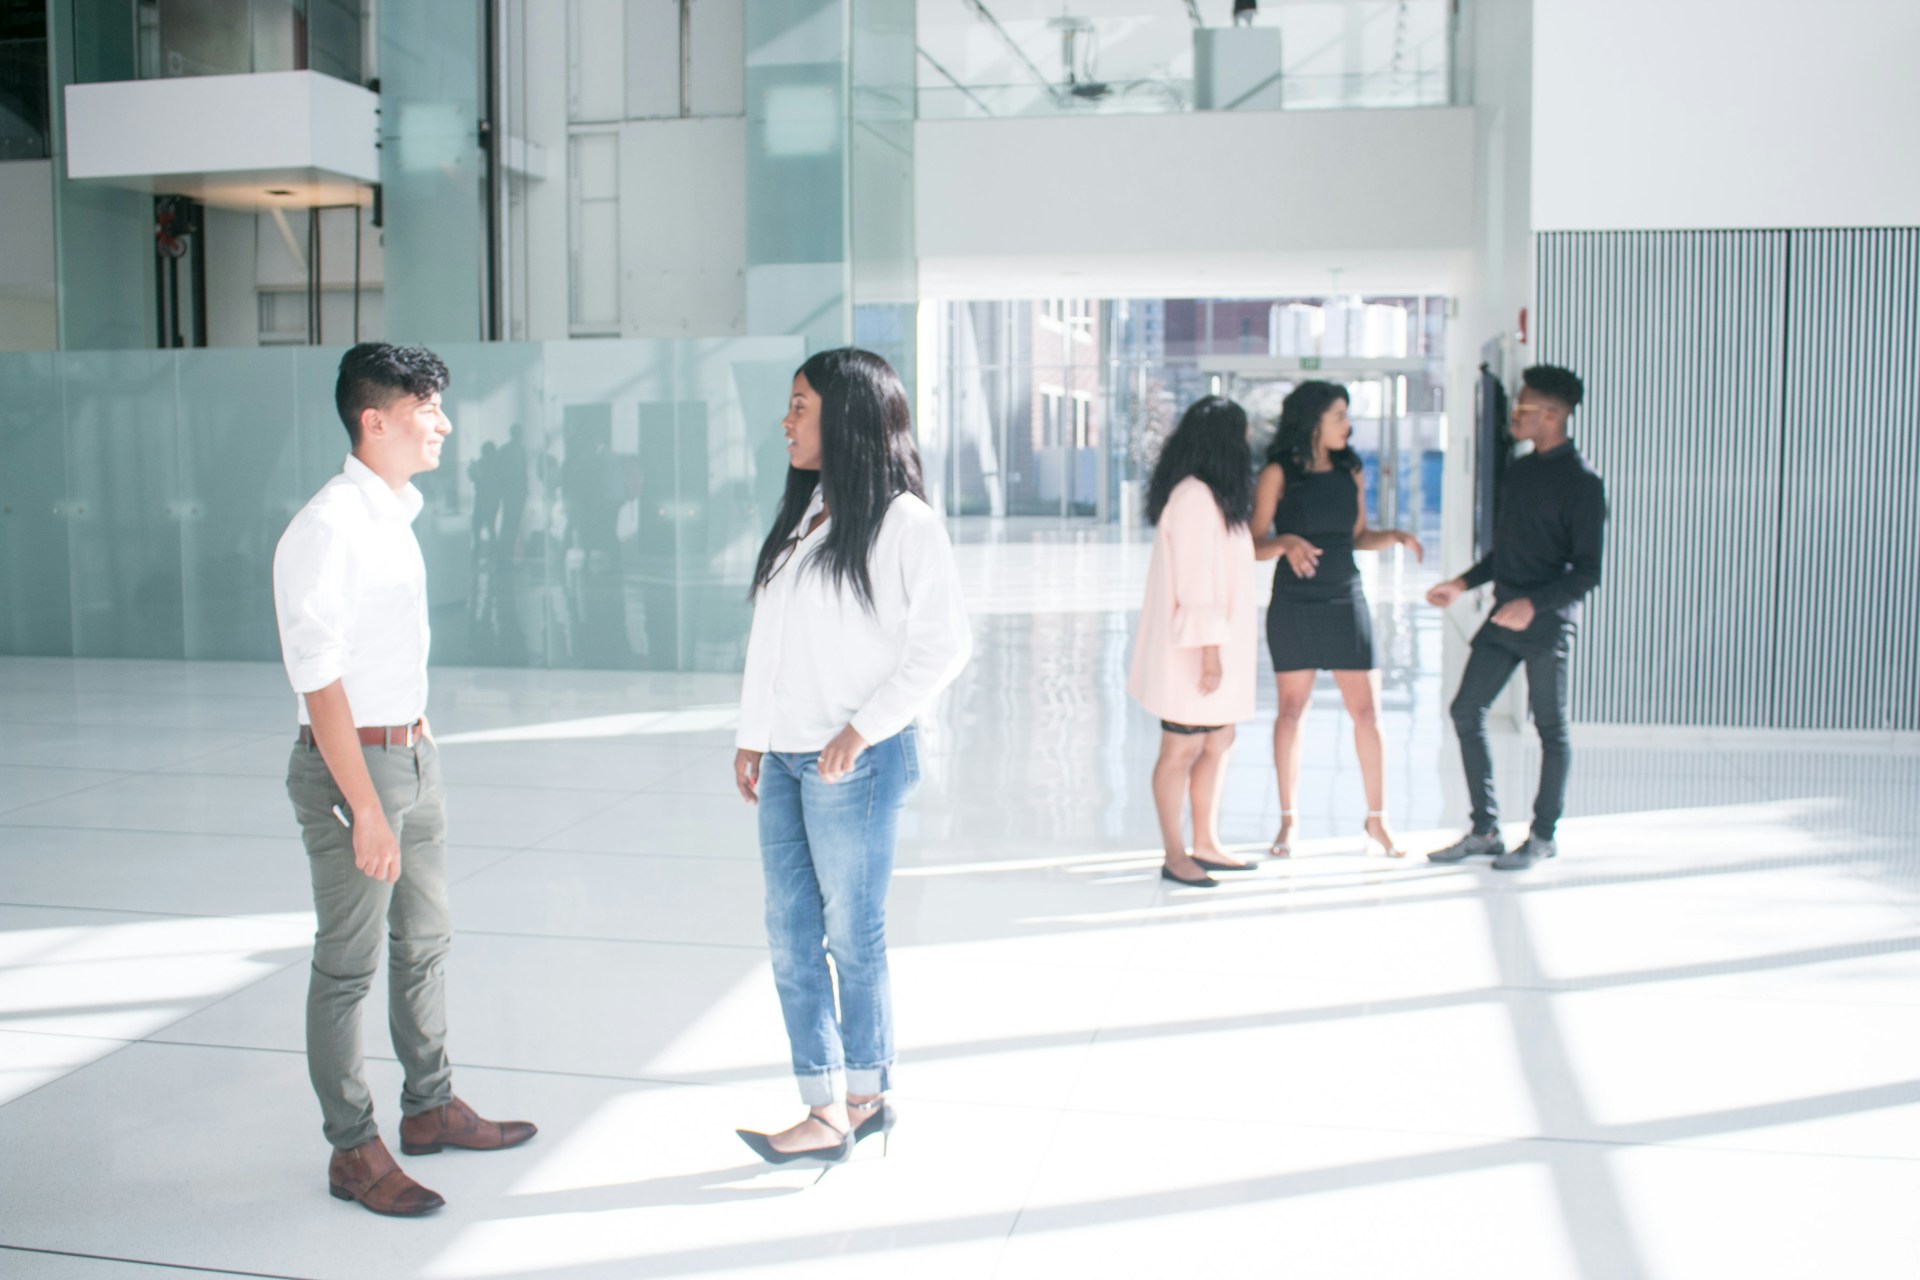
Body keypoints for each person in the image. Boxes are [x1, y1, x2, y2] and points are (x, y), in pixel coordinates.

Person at [273, 343, 535, 1218]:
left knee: (425, 943)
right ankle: (353, 1147)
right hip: (357, 769)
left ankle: (428, 1108)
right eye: (429, 410)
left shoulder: (394, 515)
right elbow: (320, 682)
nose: (444, 425)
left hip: (413, 755)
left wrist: (417, 752)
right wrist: (364, 808)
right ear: (374, 420)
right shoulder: (327, 527)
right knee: (346, 967)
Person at [732, 348, 972, 1167]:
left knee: (850, 936)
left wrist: (860, 730)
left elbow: (944, 647)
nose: (788, 420)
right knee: (790, 933)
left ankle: (865, 1098)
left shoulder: (906, 523)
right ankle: (823, 1103)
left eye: (801, 405)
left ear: (848, 416)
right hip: (790, 758)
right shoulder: (809, 515)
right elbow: (775, 638)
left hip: (853, 764)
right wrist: (752, 734)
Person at [1427, 364, 1607, 870]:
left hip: (1546, 621)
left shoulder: (1583, 483)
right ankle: (1484, 830)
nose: (1514, 415)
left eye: (1523, 407)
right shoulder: (1522, 472)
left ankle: (1543, 835)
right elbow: (1504, 554)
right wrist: (1461, 585)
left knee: (1549, 728)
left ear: (1551, 415)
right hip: (1504, 616)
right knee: (1466, 710)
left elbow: (1588, 571)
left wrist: (1534, 604)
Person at [1253, 381, 1423, 859]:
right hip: (1293, 604)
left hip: (1345, 599)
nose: (1348, 425)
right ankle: (1288, 822)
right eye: (1340, 416)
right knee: (1290, 714)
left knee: (1367, 714)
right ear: (1314, 422)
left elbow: (1357, 536)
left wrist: (1393, 536)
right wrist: (1285, 542)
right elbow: (1250, 543)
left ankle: (1377, 821)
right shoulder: (1277, 473)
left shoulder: (1351, 469)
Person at [1128, 395, 1259, 888]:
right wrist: (1210, 655)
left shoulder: (1214, 497)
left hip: (1212, 649)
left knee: (1218, 741)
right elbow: (1195, 585)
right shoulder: (1194, 499)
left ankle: (1206, 842)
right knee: (1180, 750)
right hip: (1193, 653)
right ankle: (1174, 852)